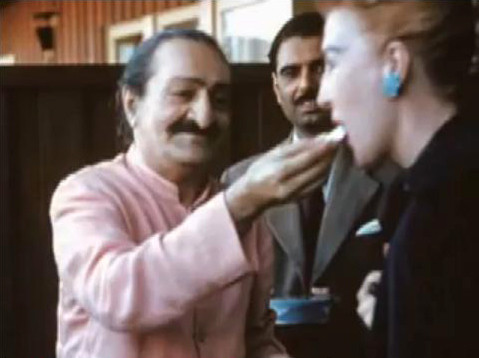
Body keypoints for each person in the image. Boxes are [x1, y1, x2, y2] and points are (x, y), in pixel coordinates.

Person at [49, 29, 340, 358]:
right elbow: (116, 296)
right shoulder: (86, 194)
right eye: (183, 94)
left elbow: (256, 340)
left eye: (219, 100)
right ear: (132, 105)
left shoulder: (245, 210)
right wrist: (239, 204)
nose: (204, 117)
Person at [222, 12, 399, 358]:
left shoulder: (391, 173)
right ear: (275, 88)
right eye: (290, 73)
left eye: (319, 67)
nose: (305, 85)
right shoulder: (239, 181)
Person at [317, 1, 479, 357]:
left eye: (332, 63)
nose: (322, 95)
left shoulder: (440, 221)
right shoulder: (431, 198)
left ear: (394, 64)